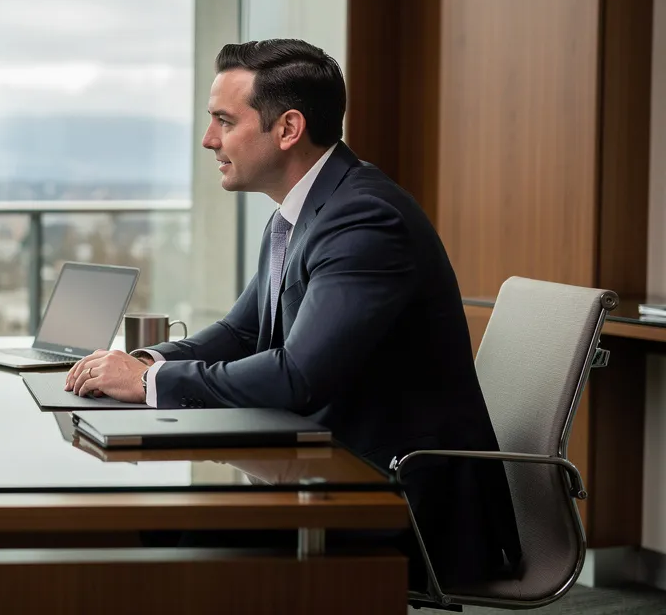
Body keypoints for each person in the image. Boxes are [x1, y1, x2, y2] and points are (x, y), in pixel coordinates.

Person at [65, 39, 522, 589]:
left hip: (398, 497)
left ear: (287, 129)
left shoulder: (364, 220)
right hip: (328, 466)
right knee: (147, 530)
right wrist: (143, 359)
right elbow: (243, 330)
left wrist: (152, 381)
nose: (209, 140)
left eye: (224, 122)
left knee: (162, 541)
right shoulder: (304, 211)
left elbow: (299, 376)